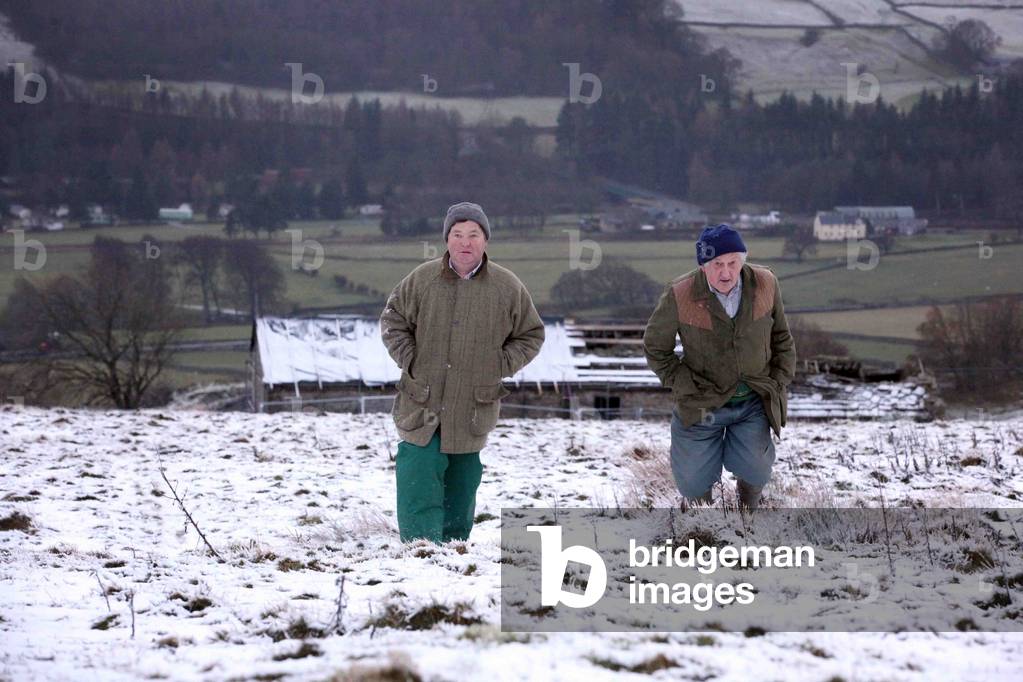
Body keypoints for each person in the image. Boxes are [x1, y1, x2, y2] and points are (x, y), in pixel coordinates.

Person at [380, 201, 545, 543]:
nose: (464, 242)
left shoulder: (507, 286)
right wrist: (410, 358)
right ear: (447, 240)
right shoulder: (422, 279)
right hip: (422, 399)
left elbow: (531, 335)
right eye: (457, 234)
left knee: (463, 478)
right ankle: (421, 547)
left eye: (473, 234)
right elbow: (393, 319)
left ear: (485, 241)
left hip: (472, 404)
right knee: (418, 469)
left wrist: (499, 365)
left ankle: (454, 545)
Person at [642, 224, 796, 510]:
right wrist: (685, 385)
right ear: (703, 266)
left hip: (753, 400)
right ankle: (705, 524)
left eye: (732, 263)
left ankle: (747, 514)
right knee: (692, 480)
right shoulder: (680, 294)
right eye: (716, 265)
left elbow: (782, 338)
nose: (725, 273)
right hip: (702, 404)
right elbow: (655, 347)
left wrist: (778, 380)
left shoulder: (766, 283)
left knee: (755, 467)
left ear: (742, 260)